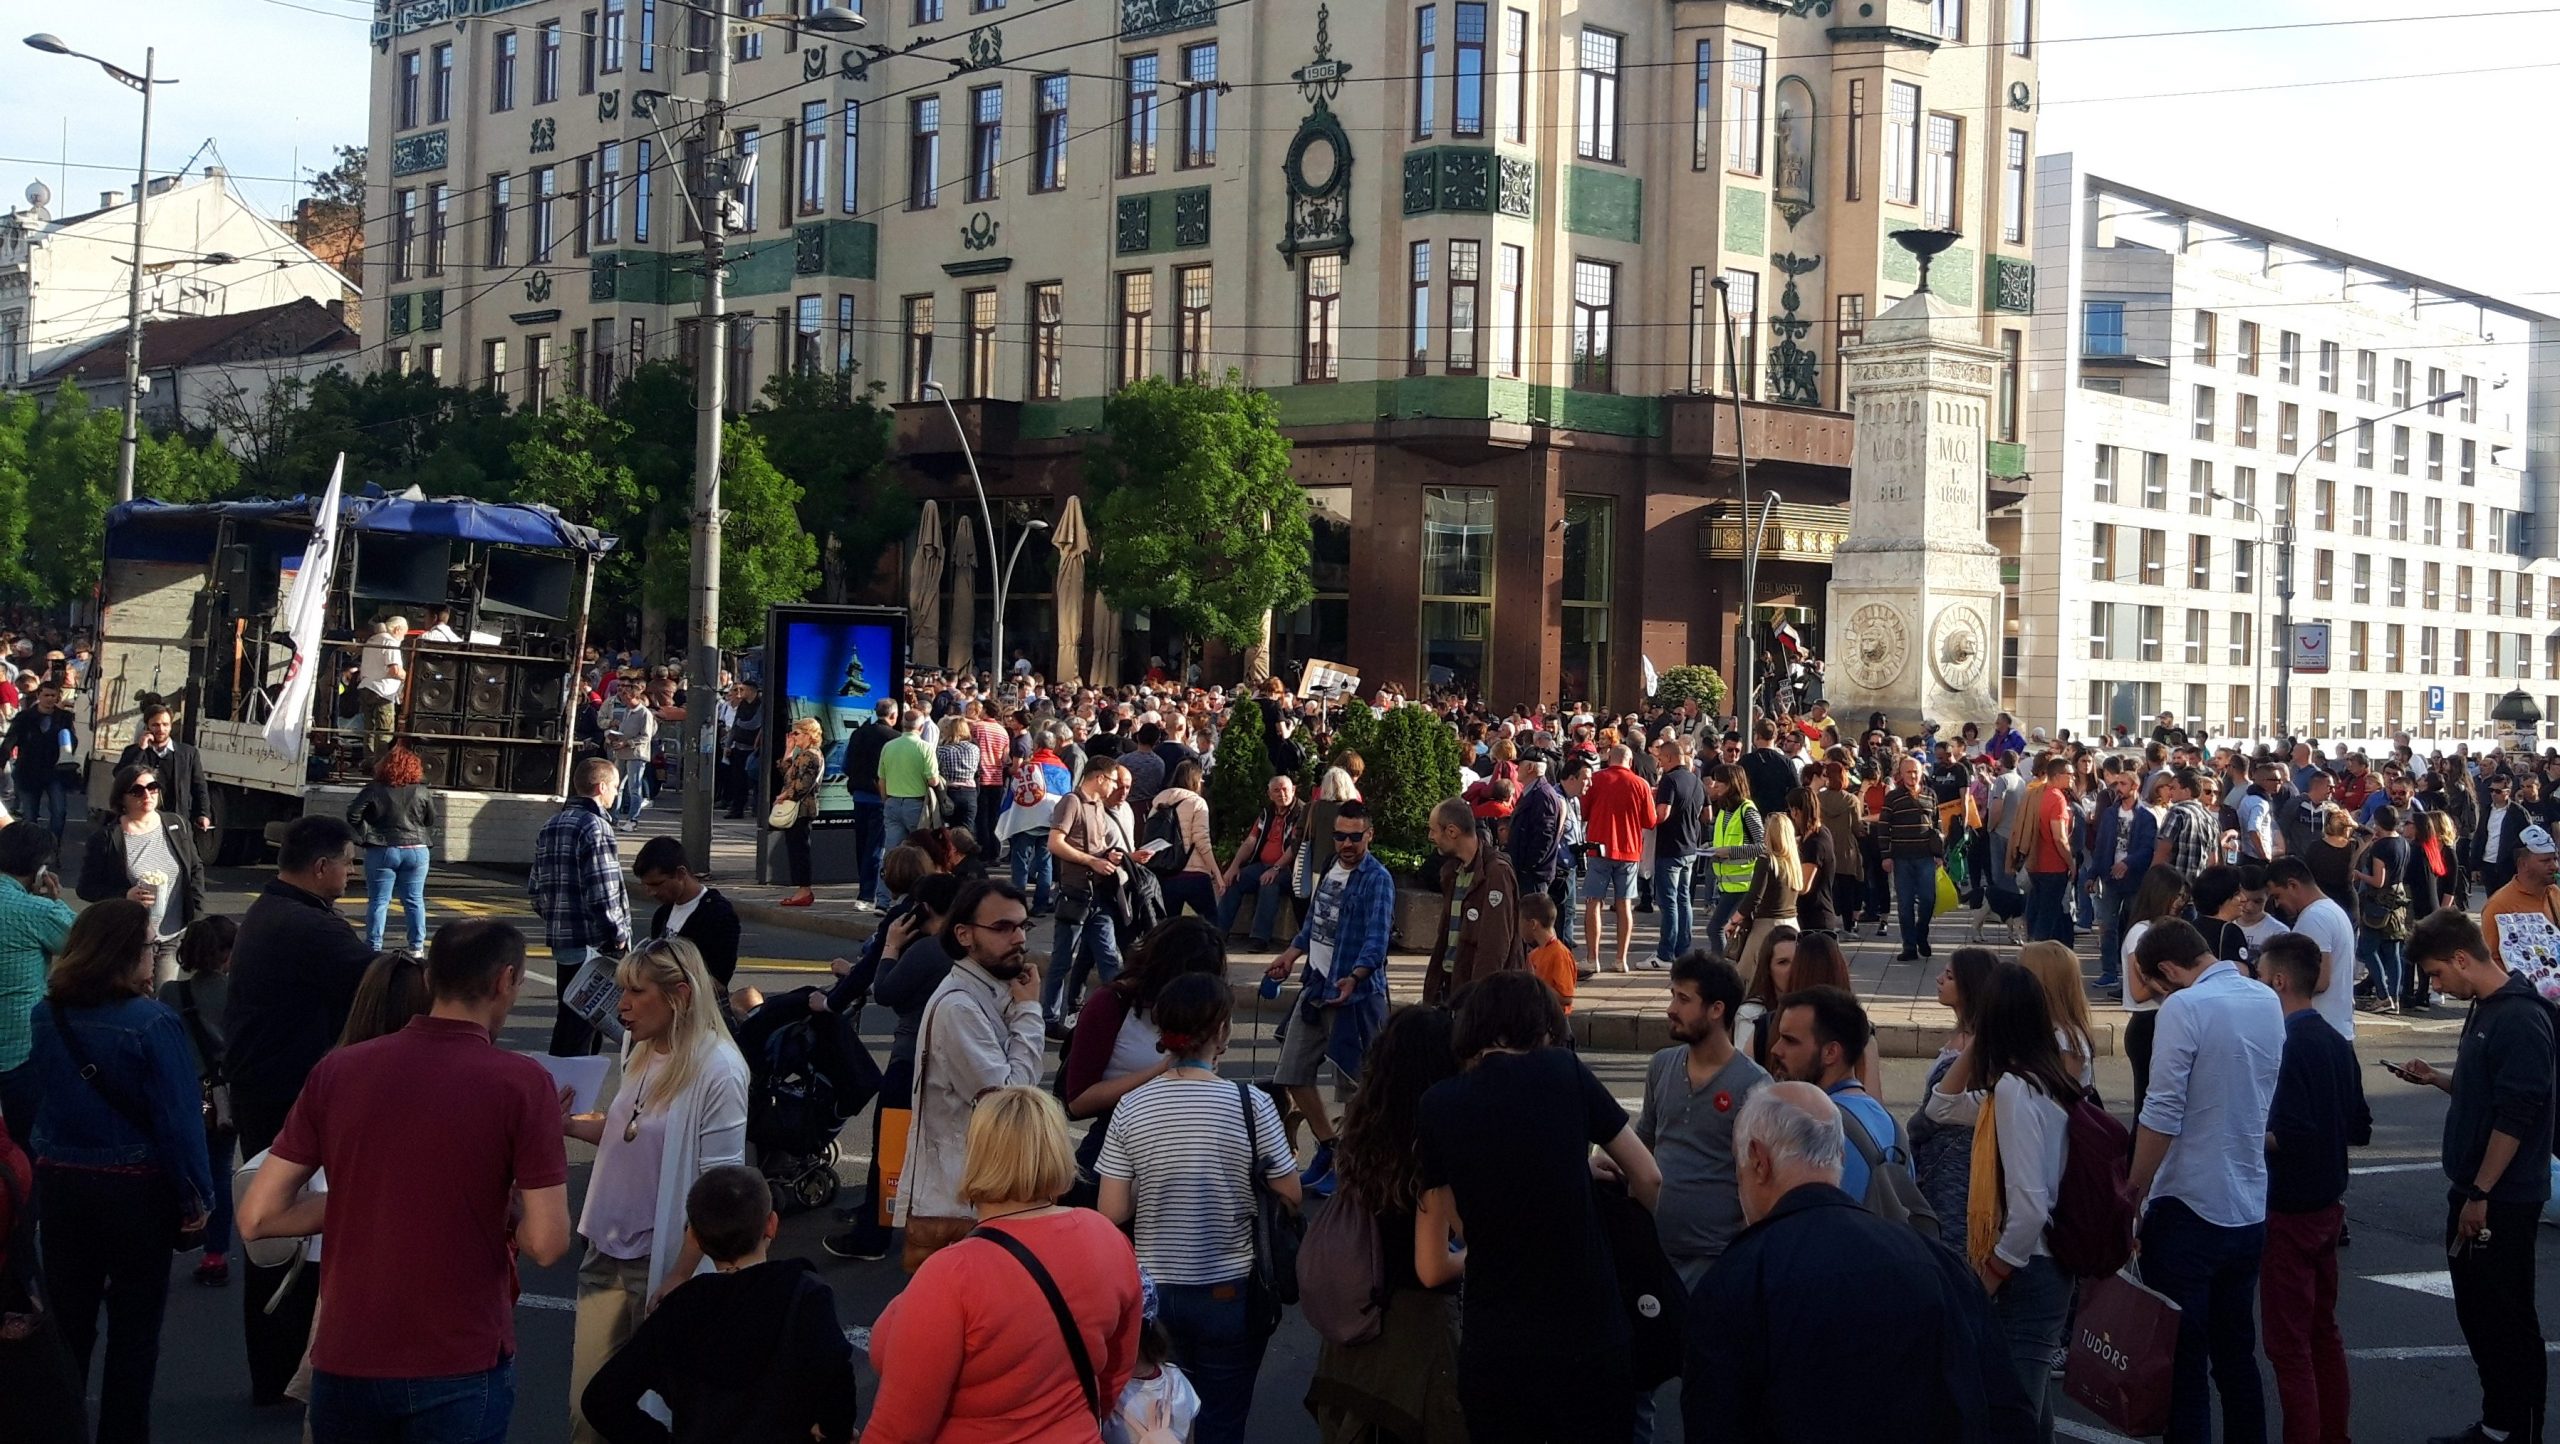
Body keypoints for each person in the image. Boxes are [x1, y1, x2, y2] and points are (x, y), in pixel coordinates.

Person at [240, 919, 573, 1444]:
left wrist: (362, 1197)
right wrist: (498, 1205)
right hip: (459, 1357)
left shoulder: (339, 1071)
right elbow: (548, 1243)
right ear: (505, 980)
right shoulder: (522, 1083)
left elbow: (259, 1216)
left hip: (348, 1354)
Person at [1682, 1083, 2037, 1442]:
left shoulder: (1739, 1279)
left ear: (1758, 1160)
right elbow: (2008, 1413)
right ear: (1839, 1155)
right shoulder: (1936, 1263)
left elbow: (1714, 1421)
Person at [1414, 971, 1662, 1442]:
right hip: (1588, 1332)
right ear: (1540, 1028)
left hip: (1498, 1343)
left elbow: (1460, 1227)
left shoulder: (1438, 1104)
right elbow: (1646, 1174)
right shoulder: (1563, 1072)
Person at [25, 899, 216, 1444]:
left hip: (62, 1182)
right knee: (134, 1330)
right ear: (126, 954)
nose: (155, 958)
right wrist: (196, 1201)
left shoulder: (49, 1014)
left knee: (70, 1322)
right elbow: (179, 1124)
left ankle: (63, 1428)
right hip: (135, 1190)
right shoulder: (153, 1022)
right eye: (150, 949)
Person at [869, 1086, 1145, 1441]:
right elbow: (1116, 1368)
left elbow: (895, 1426)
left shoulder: (951, 1274)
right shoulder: (1106, 1238)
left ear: (976, 1156)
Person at [1097, 972, 1301, 1443]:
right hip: (1230, 1291)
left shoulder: (1131, 1107)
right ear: (1222, 1030)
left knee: (1155, 1418)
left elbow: (1112, 1213)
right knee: (1222, 1421)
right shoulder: (1251, 1106)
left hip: (1153, 1294)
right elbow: (1290, 1194)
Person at [563, 937, 751, 1444]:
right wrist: (570, 1124)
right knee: (588, 1412)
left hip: (665, 1266)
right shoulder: (639, 1048)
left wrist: (680, 1274)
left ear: (680, 996)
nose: (619, 1004)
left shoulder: (721, 1072)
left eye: (635, 991)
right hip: (605, 1250)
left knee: (658, 1420)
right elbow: (632, 1130)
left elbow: (720, 1194)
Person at [2399, 908, 2555, 1444]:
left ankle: (2519, 1429)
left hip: (2502, 1197)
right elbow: (2488, 1095)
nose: (2437, 985)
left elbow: (2518, 1113)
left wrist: (2481, 1193)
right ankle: (2498, 1423)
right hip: (2475, 1189)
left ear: (2462, 958)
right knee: (2480, 1316)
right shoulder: (2487, 1009)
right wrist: (2439, 1079)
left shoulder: (2519, 1017)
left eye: (2439, 974)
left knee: (2507, 1319)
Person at [2127, 918, 2286, 1444]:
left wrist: (2133, 1192)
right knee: (2237, 1359)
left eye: (2153, 985)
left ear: (2169, 970)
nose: (2153, 997)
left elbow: (2162, 1109)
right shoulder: (2264, 998)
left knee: (2185, 1367)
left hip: (2187, 1205)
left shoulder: (2185, 1007)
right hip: (2247, 1202)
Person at [582, 1163, 859, 1444]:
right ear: (772, 1225)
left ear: (696, 1239)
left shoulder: (680, 1308)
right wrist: (835, 1430)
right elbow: (836, 1376)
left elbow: (601, 1400)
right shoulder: (803, 1294)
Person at [1923, 963, 2080, 1438]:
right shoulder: (2040, 1079)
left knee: (2013, 1416)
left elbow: (2030, 1207)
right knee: (2030, 1410)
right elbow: (1940, 1107)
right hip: (2044, 1268)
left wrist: (1991, 1275)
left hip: (2029, 1270)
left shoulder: (2014, 1090)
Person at [1307, 1005, 1467, 1443]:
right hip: (1415, 1338)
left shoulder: (1364, 1130)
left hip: (1358, 1324)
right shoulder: (1432, 1145)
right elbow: (1433, 1267)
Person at [894, 879, 1045, 1272]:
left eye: (1022, 926)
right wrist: (1029, 1013)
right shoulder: (959, 1007)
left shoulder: (992, 992)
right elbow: (1012, 1105)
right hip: (956, 1208)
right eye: (1002, 928)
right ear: (963, 934)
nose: (1018, 938)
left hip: (978, 1199)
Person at [2257, 931, 2370, 1444]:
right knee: (2323, 1332)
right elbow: (2359, 1125)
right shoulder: (2332, 1040)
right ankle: (2335, 1434)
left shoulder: (2289, 1044)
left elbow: (2293, 1133)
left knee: (2288, 1345)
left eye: (2261, 979)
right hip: (2329, 1203)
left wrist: (2248, 1140)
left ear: (2279, 981)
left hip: (2290, 1209)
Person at [1260, 800, 1394, 1200]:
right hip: (1316, 987)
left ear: (1369, 835)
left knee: (1356, 1087)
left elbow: (1378, 937)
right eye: (1341, 836)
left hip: (1356, 997)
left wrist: (1355, 976)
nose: (1348, 843)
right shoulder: (1330, 869)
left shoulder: (1377, 879)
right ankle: (1330, 1146)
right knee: (1292, 1072)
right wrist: (1290, 954)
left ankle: (1352, 1166)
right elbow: (1315, 924)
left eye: (1356, 836)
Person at [226, 816, 371, 1156]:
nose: (352, 871)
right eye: (348, 862)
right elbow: (382, 977)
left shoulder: (270, 907)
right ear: (321, 866)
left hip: (259, 1081)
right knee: (293, 1198)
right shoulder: (310, 926)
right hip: (286, 1088)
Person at [1637, 952, 1770, 1289]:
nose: (1671, 1008)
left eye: (1683, 999)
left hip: (1715, 1260)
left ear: (1716, 1009)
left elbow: (1761, 1177)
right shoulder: (1661, 1065)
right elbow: (1644, 1143)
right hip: (1653, 1250)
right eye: (1672, 996)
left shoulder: (1753, 1084)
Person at [530, 756, 633, 1056]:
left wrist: (554, 917)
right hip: (595, 943)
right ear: (601, 787)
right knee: (582, 1027)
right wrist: (618, 935)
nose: (615, 793)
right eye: (614, 787)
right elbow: (603, 889)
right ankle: (567, 1091)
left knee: (573, 1017)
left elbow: (535, 888)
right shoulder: (596, 826)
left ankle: (571, 1087)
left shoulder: (551, 824)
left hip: (564, 940)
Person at [160, 915, 241, 1288]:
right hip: (222, 1096)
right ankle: (215, 1254)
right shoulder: (238, 994)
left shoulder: (171, 995)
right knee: (219, 1169)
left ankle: (176, 1232)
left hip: (183, 1093)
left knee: (180, 1167)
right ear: (227, 954)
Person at [1766, 983, 1900, 1204]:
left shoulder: (1817, 1127)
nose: (1776, 1049)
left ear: (1830, 1052)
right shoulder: (1888, 1124)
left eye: (1790, 1040)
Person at [78, 760, 207, 984]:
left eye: (152, 787)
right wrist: (124, 896)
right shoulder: (108, 838)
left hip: (171, 935)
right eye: (137, 791)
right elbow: (86, 888)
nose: (146, 795)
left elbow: (194, 869)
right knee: (132, 1000)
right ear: (122, 798)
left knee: (164, 999)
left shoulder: (176, 825)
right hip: (130, 939)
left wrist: (196, 913)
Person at [1909, 946, 1999, 1248]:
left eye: (1949, 976)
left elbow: (1940, 1109)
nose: (1939, 980)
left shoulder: (1980, 1047)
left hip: (1958, 1169)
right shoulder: (1960, 1035)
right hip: (1936, 1163)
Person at [0, 820, 74, 1143]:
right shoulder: (37, 911)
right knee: (27, 1150)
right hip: (21, 1051)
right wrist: (55, 900)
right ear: (40, 869)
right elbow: (84, 941)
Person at [1049, 756, 1136, 1027]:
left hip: (1099, 894)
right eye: (1112, 781)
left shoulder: (1099, 805)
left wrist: (1112, 856)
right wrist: (1091, 861)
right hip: (1075, 893)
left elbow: (1097, 847)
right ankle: (1049, 1018)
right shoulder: (1072, 802)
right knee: (1063, 960)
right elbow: (1055, 843)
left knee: (1110, 957)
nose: (1114, 787)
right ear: (1099, 778)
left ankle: (1123, 1016)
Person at [1421, 797, 1523, 1005]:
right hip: (1453, 988)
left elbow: (1495, 946)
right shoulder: (1452, 871)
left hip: (1480, 996)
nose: (1431, 836)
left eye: (1433, 830)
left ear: (1452, 831)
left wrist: (1479, 1000)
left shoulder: (1496, 873)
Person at [344, 740, 439, 952]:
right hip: (416, 849)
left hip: (383, 847)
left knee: (379, 901)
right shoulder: (421, 791)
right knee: (414, 900)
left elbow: (353, 814)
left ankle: (374, 946)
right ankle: (416, 947)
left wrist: (366, 831)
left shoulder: (374, 789)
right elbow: (430, 819)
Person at [2119, 864, 2193, 1115]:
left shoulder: (2164, 930)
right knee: (2148, 1104)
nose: (2180, 903)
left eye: (2183, 897)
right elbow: (2139, 993)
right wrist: (2174, 981)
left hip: (2163, 1019)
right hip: (2146, 1022)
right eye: (2176, 896)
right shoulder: (2140, 933)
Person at [1579, 744, 1654, 975]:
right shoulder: (1641, 784)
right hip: (1629, 850)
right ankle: (1621, 959)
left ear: (1609, 759)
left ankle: (1593, 958)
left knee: (1594, 902)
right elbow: (1650, 821)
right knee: (1625, 905)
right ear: (1630, 761)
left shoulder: (1597, 780)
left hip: (1599, 847)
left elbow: (1583, 812)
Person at [2266, 856, 2358, 1040]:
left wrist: (2271, 984)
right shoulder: (2332, 910)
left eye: (2277, 896)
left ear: (2292, 885)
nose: (2278, 904)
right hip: (2335, 1027)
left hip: (2318, 1030)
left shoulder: (2313, 918)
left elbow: (2319, 980)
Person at [1216, 774, 1302, 949]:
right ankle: (1217, 934)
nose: (1281, 794)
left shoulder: (1301, 813)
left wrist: (1276, 868)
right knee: (1235, 880)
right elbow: (1250, 841)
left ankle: (1260, 938)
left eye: (1285, 789)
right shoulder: (1266, 813)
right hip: (1262, 865)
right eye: (1276, 791)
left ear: (1293, 790)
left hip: (1288, 869)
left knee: (1269, 883)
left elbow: (1295, 847)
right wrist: (1234, 866)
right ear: (1269, 794)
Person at [1699, 762, 1767, 965]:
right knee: (1735, 931)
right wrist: (1711, 846)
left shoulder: (1747, 810)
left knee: (1716, 927)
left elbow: (1762, 847)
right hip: (1727, 882)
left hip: (1743, 884)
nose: (1714, 785)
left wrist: (1730, 852)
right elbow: (1727, 839)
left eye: (1719, 781)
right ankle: (1738, 969)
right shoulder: (1725, 810)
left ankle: (1722, 971)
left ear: (1731, 784)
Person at [116, 703, 213, 838]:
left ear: (171, 726)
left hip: (176, 821)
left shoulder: (188, 753)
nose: (161, 729)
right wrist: (140, 749)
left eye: (165, 724)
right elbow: (120, 776)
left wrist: (204, 814)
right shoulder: (134, 752)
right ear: (147, 727)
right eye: (155, 725)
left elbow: (199, 786)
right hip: (143, 821)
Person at [1881, 755, 1944, 962]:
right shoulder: (1893, 798)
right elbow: (1884, 827)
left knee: (1928, 900)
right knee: (1905, 904)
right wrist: (1886, 855)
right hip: (1902, 858)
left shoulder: (1930, 794)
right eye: (1908, 772)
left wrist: (1939, 854)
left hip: (1926, 857)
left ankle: (1921, 934)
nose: (1913, 776)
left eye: (1916, 771)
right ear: (1900, 774)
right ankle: (1909, 946)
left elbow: (1937, 824)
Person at [1650, 735, 1706, 964]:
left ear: (1671, 757)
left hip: (1670, 847)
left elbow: (1662, 814)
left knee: (1669, 902)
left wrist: (1648, 816)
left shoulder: (1669, 780)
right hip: (1690, 847)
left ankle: (1665, 953)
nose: (1659, 763)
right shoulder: (1696, 780)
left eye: (1661, 758)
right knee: (1684, 900)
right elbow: (1707, 815)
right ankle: (1684, 949)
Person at [1147, 759, 1221, 922]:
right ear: (1194, 780)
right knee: (1212, 922)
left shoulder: (1159, 800)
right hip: (1194, 873)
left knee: (1169, 926)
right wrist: (1216, 872)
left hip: (1166, 871)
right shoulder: (1198, 802)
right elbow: (1201, 840)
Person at [1, 681, 77, 836]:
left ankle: (53, 849)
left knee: (59, 812)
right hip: (29, 771)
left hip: (55, 772)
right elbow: (10, 741)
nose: (50, 699)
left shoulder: (64, 717)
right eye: (46, 695)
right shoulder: (24, 717)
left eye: (53, 695)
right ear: (38, 696)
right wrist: (1, 763)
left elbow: (72, 742)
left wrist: (68, 743)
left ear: (57, 697)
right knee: (30, 817)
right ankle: (32, 853)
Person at [878, 710, 939, 898]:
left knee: (890, 852)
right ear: (921, 728)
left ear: (902, 725)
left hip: (892, 802)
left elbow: (882, 778)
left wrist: (885, 799)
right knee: (921, 852)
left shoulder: (888, 746)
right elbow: (933, 781)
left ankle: (882, 899)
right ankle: (916, 897)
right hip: (916, 805)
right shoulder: (925, 747)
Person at [769, 716, 825, 910]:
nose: (793, 736)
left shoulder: (811, 755)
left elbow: (804, 785)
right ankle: (802, 889)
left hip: (802, 809)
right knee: (795, 848)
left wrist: (785, 795)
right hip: (797, 808)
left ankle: (804, 889)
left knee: (800, 850)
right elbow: (786, 773)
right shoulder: (803, 754)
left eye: (797, 733)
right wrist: (789, 750)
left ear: (809, 735)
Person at [2021, 754, 2078, 943]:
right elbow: (2060, 837)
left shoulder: (2038, 793)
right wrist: (2071, 863)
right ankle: (2039, 958)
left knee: (2036, 911)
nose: (2073, 777)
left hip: (2035, 865)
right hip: (2053, 866)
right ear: (2057, 775)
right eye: (2069, 774)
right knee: (2048, 915)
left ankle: (2031, 948)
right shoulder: (2057, 799)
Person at [603, 675, 659, 827]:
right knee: (616, 785)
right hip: (622, 753)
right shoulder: (627, 711)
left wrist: (627, 743)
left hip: (636, 754)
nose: (624, 700)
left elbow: (646, 736)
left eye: (626, 697)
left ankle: (633, 819)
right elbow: (623, 729)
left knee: (634, 788)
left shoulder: (644, 714)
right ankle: (613, 817)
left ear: (634, 697)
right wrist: (615, 738)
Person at [356, 614, 408, 757]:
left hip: (366, 687)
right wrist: (408, 676)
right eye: (404, 633)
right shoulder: (390, 642)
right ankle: (380, 764)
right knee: (384, 731)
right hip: (383, 691)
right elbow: (394, 670)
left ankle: (368, 761)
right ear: (397, 629)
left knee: (369, 729)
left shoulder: (371, 640)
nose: (403, 638)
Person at [1520, 892, 1576, 1013]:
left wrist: (1534, 982)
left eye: (1520, 922)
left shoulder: (1559, 954)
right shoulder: (1533, 954)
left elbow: (1567, 998)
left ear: (1533, 924)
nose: (1519, 928)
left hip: (1556, 1022)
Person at [718, 680, 764, 819]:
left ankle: (758, 808)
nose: (739, 693)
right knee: (738, 780)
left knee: (755, 779)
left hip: (754, 749)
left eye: (743, 690)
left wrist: (738, 723)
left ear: (751, 691)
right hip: (739, 747)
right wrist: (728, 745)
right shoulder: (743, 705)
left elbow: (754, 724)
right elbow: (734, 729)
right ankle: (737, 809)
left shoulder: (761, 704)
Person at [932, 714, 983, 840]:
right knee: (968, 829)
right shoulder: (974, 749)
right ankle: (968, 857)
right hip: (970, 792)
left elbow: (937, 770)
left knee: (950, 831)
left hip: (950, 792)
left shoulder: (943, 750)